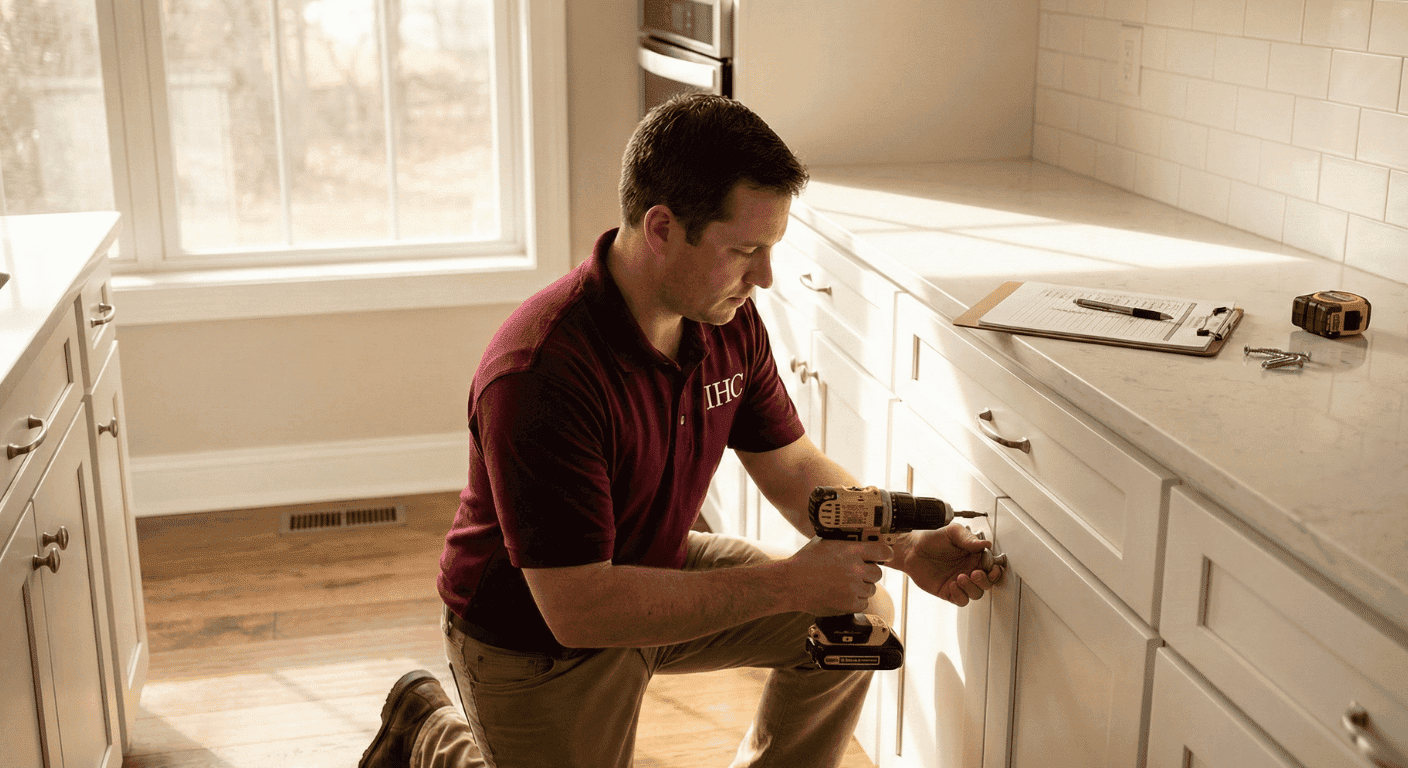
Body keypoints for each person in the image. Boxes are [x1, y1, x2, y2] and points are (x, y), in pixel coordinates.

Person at [359, 93, 1003, 768]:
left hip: (655, 569)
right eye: (745, 250)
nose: (765, 277)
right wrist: (785, 585)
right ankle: (428, 732)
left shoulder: (726, 318)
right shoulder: (540, 375)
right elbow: (579, 609)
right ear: (662, 228)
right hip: (537, 636)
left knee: (860, 620)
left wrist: (905, 544)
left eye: (772, 249)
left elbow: (791, 469)